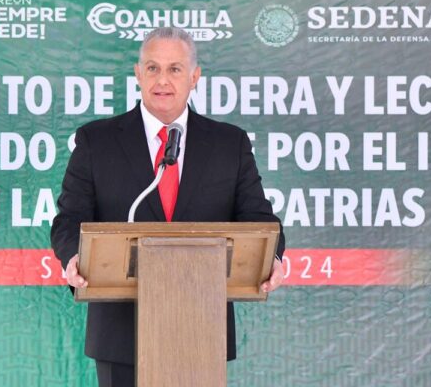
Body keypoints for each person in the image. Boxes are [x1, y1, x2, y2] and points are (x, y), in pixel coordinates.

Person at [51, 27, 286, 387]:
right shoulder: (96, 141)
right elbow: (69, 219)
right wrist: (72, 259)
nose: (163, 80)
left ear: (194, 77)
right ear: (137, 74)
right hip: (120, 333)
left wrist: (271, 258)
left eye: (175, 69)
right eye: (153, 68)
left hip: (200, 327)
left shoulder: (229, 144)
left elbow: (258, 218)